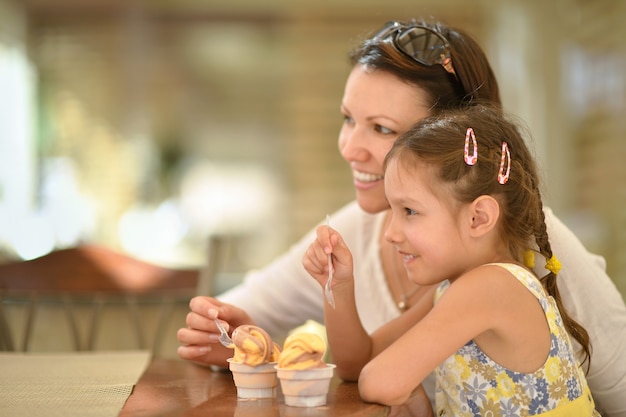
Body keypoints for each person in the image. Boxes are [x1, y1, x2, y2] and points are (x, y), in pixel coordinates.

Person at [177, 19, 626, 416]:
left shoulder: (523, 250)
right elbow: (354, 364)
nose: (349, 148)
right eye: (348, 119)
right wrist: (228, 331)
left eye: (383, 128)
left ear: (451, 142)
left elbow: (378, 379)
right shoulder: (422, 268)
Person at [304, 104, 601, 416]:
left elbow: (379, 381)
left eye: (409, 211)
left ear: (478, 218)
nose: (391, 233)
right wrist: (337, 286)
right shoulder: (455, 290)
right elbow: (355, 365)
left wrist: (411, 391)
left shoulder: (490, 287)